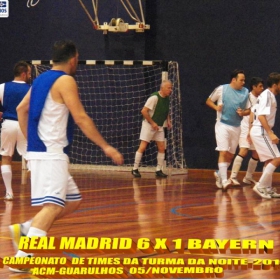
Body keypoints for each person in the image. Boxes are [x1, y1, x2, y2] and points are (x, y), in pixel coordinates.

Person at [8, 40, 123, 272]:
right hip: (51, 153)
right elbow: (80, 117)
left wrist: (30, 143)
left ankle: (26, 229)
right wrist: (106, 146)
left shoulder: (40, 79)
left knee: (72, 201)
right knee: (51, 207)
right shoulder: (66, 80)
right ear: (73, 59)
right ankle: (23, 256)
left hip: (45, 153)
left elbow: (21, 109)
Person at [206, 69, 250, 190]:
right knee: (223, 152)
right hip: (222, 125)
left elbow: (249, 110)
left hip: (236, 126)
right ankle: (225, 180)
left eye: (244, 80)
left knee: (230, 155)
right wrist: (216, 107)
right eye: (241, 80)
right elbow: (209, 100)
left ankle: (220, 174)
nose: (243, 82)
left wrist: (243, 113)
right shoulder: (222, 89)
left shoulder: (246, 92)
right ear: (233, 80)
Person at [0, 61, 31, 201]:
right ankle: (40, 191)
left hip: (8, 124)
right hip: (24, 125)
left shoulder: (2, 87)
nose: (30, 76)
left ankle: (9, 192)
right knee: (30, 157)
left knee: (6, 157)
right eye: (29, 73)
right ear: (24, 74)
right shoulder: (31, 89)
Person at [131, 80, 172, 178]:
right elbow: (144, 111)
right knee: (143, 146)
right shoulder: (154, 98)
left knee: (162, 147)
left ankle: (158, 169)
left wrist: (169, 120)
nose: (170, 90)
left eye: (171, 88)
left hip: (159, 126)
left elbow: (166, 111)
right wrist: (152, 123)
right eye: (168, 88)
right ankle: (135, 168)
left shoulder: (167, 98)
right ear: (162, 88)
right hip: (149, 125)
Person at [249, 72, 280, 199]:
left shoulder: (268, 95)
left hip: (260, 130)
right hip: (261, 130)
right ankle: (261, 185)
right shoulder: (268, 95)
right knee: (277, 159)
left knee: (269, 160)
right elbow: (261, 116)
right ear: (275, 85)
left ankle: (267, 188)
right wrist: (270, 133)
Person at [229, 77, 264, 186]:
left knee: (256, 153)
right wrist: (249, 130)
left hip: (255, 128)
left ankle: (248, 177)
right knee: (243, 150)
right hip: (245, 128)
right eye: (260, 87)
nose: (262, 89)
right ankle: (232, 177)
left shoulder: (261, 98)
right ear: (254, 87)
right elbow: (246, 113)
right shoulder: (247, 97)